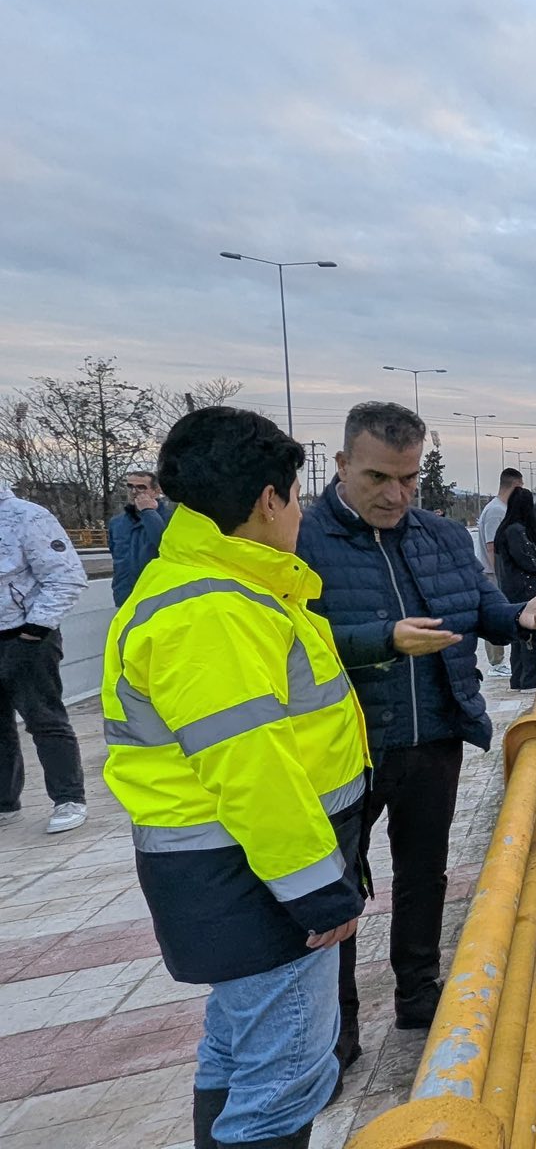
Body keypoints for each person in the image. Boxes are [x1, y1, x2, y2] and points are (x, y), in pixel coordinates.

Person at [101, 407, 368, 1149]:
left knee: (236, 1053)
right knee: (284, 1083)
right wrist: (318, 891)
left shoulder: (212, 585)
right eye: (298, 494)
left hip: (234, 878)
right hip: (252, 883)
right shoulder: (213, 610)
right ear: (268, 500)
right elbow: (253, 768)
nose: (301, 512)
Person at [296, 403, 536, 1065]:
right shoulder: (300, 543)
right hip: (342, 748)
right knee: (337, 893)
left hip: (434, 733)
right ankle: (338, 1033)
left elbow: (485, 612)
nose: (396, 495)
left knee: (423, 873)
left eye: (409, 478)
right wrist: (381, 641)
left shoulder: (441, 536)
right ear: (341, 465)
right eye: (379, 477)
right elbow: (283, 646)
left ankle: (419, 994)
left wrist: (523, 617)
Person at [0, 481, 88, 834]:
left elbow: (66, 577)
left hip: (27, 635)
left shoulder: (27, 517)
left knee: (44, 719)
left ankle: (69, 798)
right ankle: (5, 803)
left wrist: (34, 631)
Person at [493, 487, 536, 691]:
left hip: (511, 589)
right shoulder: (516, 531)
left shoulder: (505, 529)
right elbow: (526, 559)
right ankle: (530, 681)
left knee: (519, 638)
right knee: (531, 637)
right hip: (524, 590)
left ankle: (518, 679)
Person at [474, 469, 522, 678]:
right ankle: (496, 662)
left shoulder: (500, 508)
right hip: (492, 573)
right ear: (514, 487)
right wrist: (501, 575)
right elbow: (493, 546)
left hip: (496, 572)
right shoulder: (496, 511)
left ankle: (499, 660)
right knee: (493, 614)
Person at [110, 469, 176, 607]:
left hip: (157, 594)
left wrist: (148, 512)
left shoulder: (171, 519)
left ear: (156, 491)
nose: (134, 492)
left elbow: (165, 546)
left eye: (141, 487)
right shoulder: (117, 523)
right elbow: (115, 555)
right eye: (130, 486)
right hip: (125, 595)